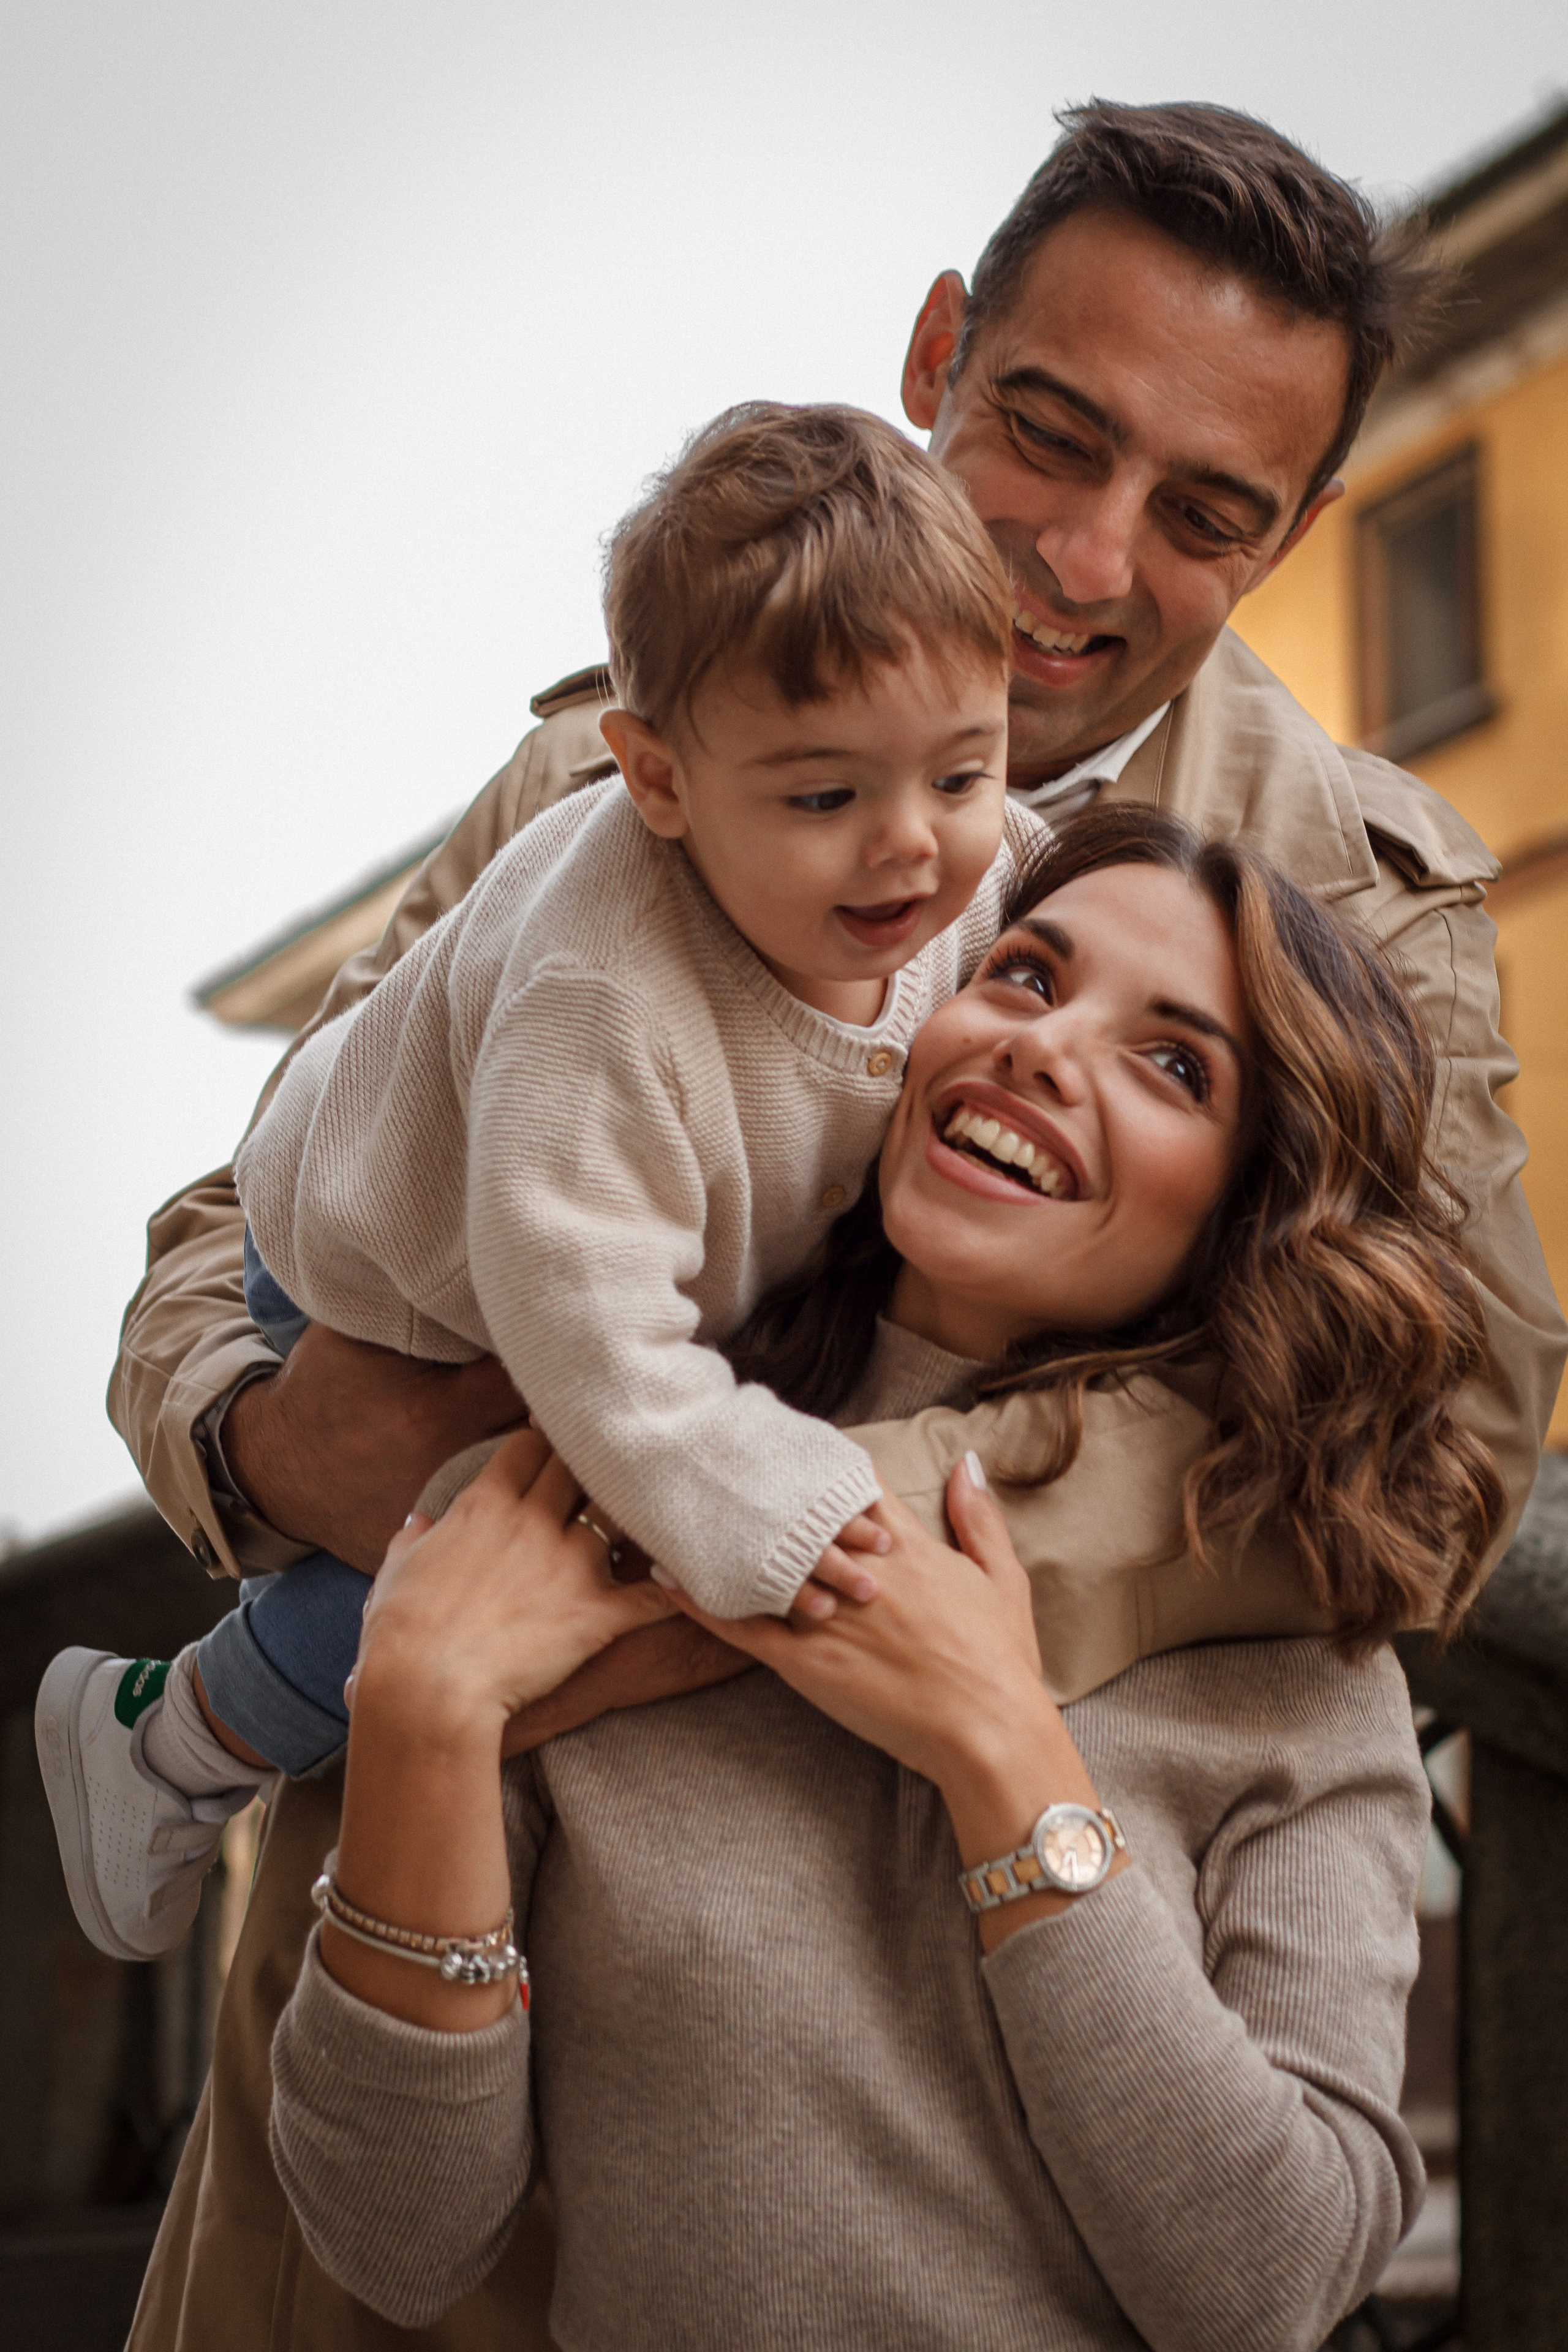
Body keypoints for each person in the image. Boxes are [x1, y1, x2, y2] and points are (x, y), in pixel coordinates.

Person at [117, 101, 1564, 2351]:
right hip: (427, 1974)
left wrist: (724, 1524)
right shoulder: (625, 751)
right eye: (1048, 433)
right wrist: (263, 1442)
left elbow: (1447, 1445)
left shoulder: (1369, 904)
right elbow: (260, 1204)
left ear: (1293, 537)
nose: (1081, 558)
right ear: (934, 354)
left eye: (1204, 514)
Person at [267, 810, 1499, 2350]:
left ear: (1251, 1206)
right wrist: (420, 1718)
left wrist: (1002, 1755)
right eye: (1026, 975)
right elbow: (393, 2237)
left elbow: (1271, 2285)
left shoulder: (1287, 1659)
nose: (1042, 1046)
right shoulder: (576, 1521)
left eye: (1173, 1065)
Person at [39, 401, 1039, 1960]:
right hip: (391, 1253)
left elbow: (1030, 874)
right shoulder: (602, 995)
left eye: (961, 774)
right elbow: (591, 1346)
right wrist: (769, 1503)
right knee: (494, 1526)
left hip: (578, 1237)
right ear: (655, 778)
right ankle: (168, 1743)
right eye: (824, 798)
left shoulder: (968, 869)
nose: (911, 848)